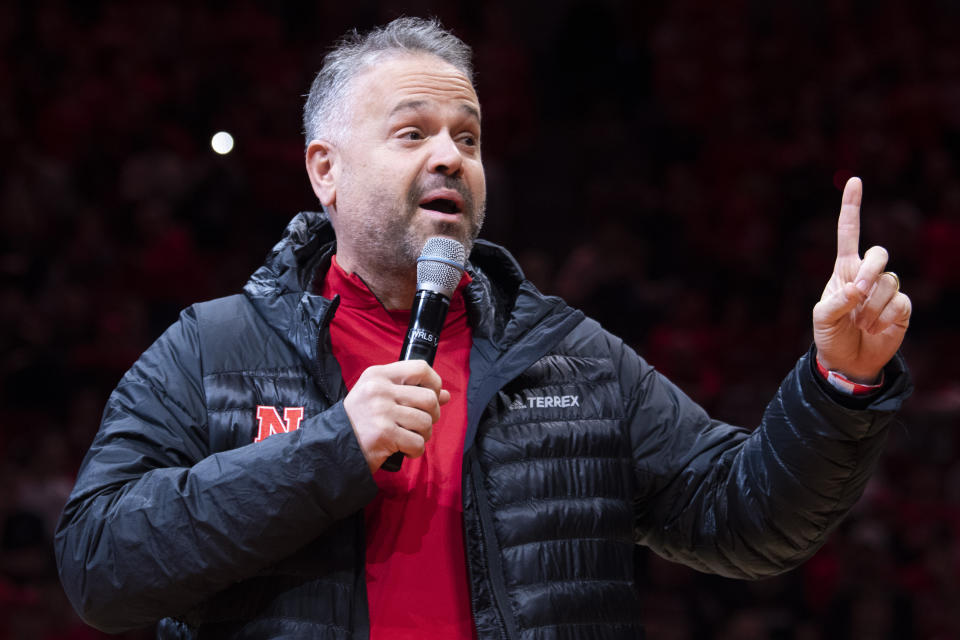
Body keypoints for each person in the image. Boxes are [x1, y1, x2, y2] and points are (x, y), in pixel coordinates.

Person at [54, 17, 913, 640]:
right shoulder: (212, 348)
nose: (449, 157)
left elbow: (746, 521)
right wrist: (330, 450)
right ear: (326, 169)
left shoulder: (570, 356)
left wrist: (838, 383)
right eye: (413, 133)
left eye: (467, 137)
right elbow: (98, 566)